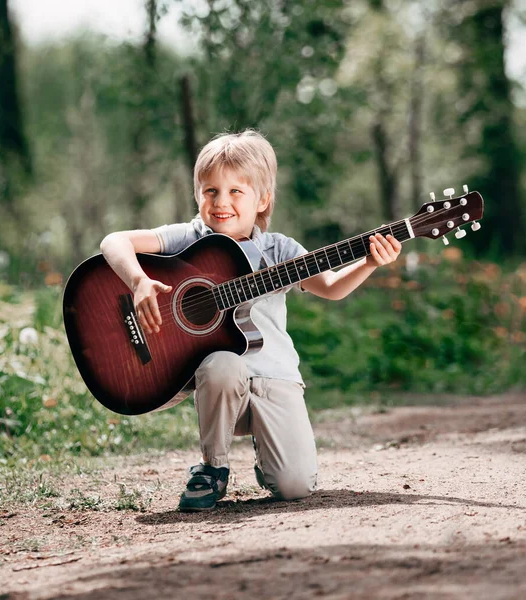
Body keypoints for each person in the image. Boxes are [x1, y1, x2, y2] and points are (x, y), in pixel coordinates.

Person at [100, 130, 402, 512]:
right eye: (210, 191)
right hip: (223, 388)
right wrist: (138, 280)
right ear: (197, 195)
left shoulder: (279, 250)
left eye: (235, 192)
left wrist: (371, 261)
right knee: (222, 361)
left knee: (294, 487)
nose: (220, 202)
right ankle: (213, 467)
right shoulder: (188, 238)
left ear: (262, 199)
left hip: (276, 378)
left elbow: (330, 287)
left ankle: (268, 451)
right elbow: (114, 241)